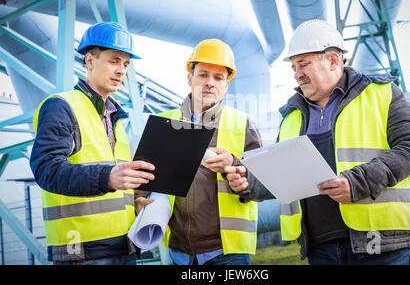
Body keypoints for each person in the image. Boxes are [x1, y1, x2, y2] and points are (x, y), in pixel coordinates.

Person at [225, 19, 410, 265]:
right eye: (293, 67)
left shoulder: (381, 93)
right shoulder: (291, 115)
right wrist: (247, 182)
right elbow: (284, 178)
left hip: (380, 244)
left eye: (303, 64)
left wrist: (356, 182)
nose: (297, 74)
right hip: (320, 250)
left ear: (333, 60)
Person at [30, 21, 155, 265]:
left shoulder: (116, 117)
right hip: (81, 252)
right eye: (114, 60)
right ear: (89, 61)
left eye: (126, 64)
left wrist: (132, 203)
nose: (122, 70)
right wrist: (107, 177)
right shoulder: (61, 106)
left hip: (125, 245)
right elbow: (47, 170)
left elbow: (114, 183)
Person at [142, 39, 263, 265]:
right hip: (177, 252)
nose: (210, 83)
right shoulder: (164, 123)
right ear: (190, 78)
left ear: (226, 85)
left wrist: (235, 164)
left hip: (227, 253)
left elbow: (264, 182)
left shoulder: (242, 124)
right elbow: (143, 179)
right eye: (203, 75)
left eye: (218, 78)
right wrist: (140, 200)